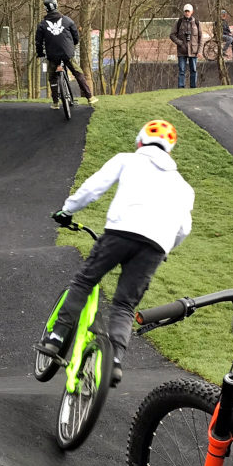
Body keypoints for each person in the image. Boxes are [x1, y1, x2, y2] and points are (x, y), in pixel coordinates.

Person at [37, 120, 194, 386]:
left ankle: (56, 338)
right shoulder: (184, 186)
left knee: (84, 282)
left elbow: (93, 187)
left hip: (120, 233)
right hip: (155, 247)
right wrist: (164, 248)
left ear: (140, 141)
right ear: (170, 150)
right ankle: (115, 361)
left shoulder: (127, 160)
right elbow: (184, 230)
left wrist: (67, 210)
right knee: (124, 305)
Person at [35, 0, 98, 109]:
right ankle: (90, 97)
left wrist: (40, 53)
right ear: (56, 6)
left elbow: (38, 42)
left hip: (52, 55)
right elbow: (76, 37)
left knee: (52, 77)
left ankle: (55, 103)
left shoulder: (42, 25)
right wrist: (72, 45)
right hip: (67, 53)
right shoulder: (68, 20)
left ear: (46, 9)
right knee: (77, 72)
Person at [169, 4, 202, 88]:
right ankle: (181, 88)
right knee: (181, 71)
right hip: (182, 51)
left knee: (193, 70)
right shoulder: (179, 22)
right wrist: (180, 43)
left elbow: (200, 38)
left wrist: (199, 51)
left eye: (188, 11)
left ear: (192, 12)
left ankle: (193, 88)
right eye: (185, 11)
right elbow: (172, 35)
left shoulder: (197, 23)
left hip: (193, 51)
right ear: (183, 12)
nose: (187, 13)